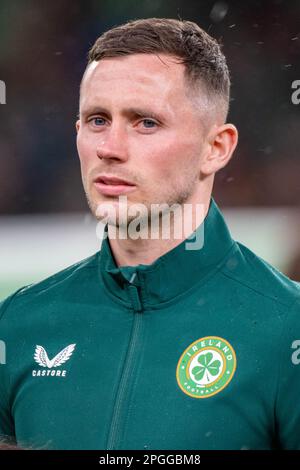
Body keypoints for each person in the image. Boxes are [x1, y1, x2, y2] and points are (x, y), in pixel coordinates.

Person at [0, 17, 300, 451]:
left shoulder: (286, 327)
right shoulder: (18, 324)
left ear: (216, 148)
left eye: (145, 122)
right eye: (97, 120)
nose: (110, 148)